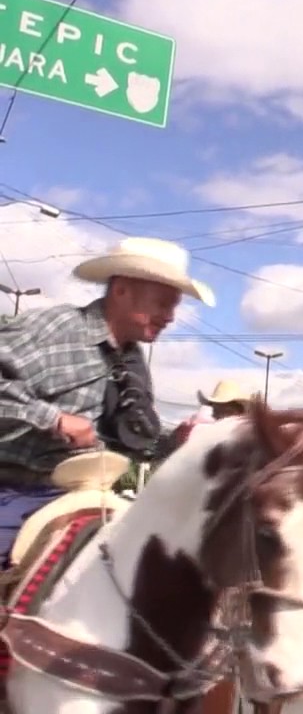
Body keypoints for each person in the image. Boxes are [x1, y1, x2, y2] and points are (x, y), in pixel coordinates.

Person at [0, 237, 214, 568]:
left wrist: (176, 442)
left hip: (86, 495)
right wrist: (53, 419)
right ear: (122, 290)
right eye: (163, 303)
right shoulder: (55, 329)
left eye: (174, 306)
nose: (170, 317)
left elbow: (129, 446)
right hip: (13, 490)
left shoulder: (132, 361)